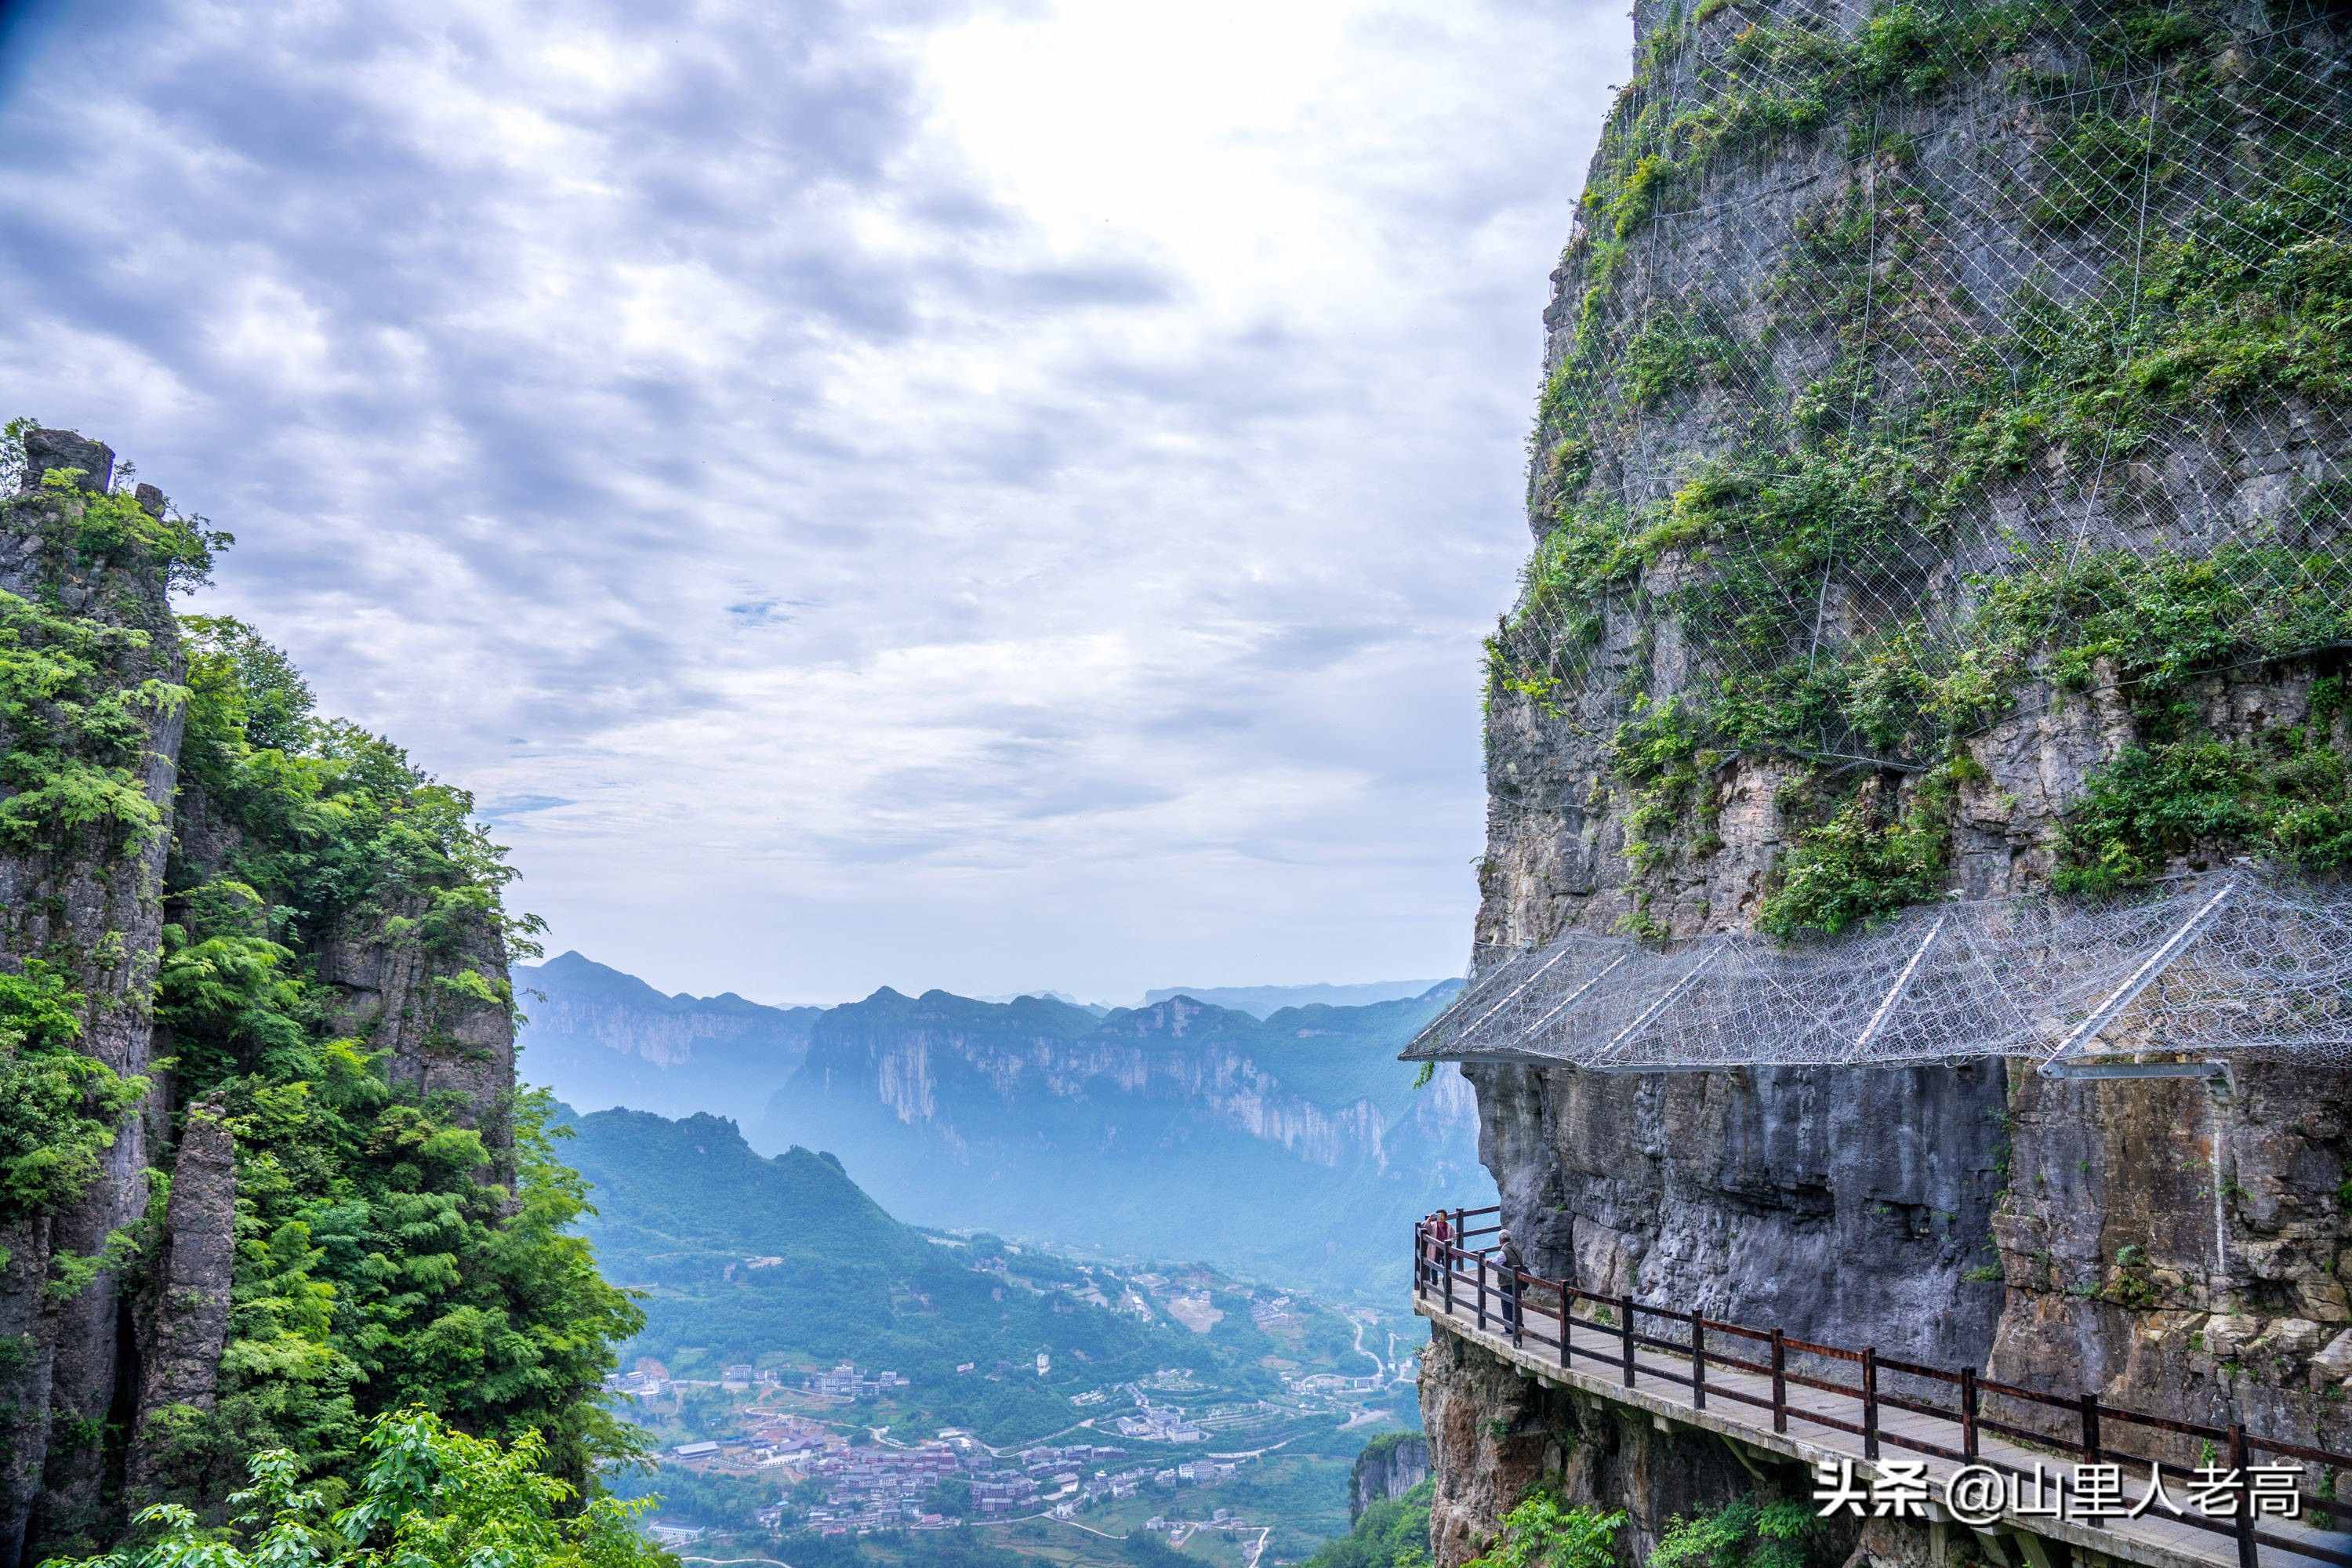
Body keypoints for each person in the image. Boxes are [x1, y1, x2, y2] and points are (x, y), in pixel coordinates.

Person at [1494, 1227, 1526, 1338]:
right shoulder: (1516, 1250)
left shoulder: (1504, 1251)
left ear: (1500, 1240)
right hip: (1517, 1282)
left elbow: (1496, 1263)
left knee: (1507, 1305)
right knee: (1517, 1305)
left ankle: (1510, 1329)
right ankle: (1519, 1326)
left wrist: (1489, 1261)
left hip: (1507, 1283)